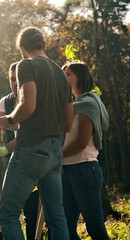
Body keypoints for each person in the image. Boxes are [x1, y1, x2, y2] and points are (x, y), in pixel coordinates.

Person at [0, 27, 73, 239]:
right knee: (57, 216)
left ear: (22, 48)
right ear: (42, 45)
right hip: (56, 150)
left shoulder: (25, 65)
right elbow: (68, 123)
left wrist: (10, 119)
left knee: (8, 215)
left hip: (31, 149)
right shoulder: (61, 74)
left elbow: (28, 106)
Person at [0, 62, 45, 240]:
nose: (15, 83)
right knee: (16, 209)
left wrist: (3, 149)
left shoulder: (36, 98)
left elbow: (29, 134)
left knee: (36, 212)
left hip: (40, 156)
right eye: (11, 79)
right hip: (20, 159)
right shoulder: (6, 101)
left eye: (18, 79)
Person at [61, 62, 110, 240]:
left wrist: (56, 155)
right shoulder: (72, 105)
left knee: (94, 227)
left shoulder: (88, 103)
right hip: (66, 170)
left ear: (80, 76)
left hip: (84, 169)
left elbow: (81, 142)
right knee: (65, 228)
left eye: (68, 75)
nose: (64, 78)